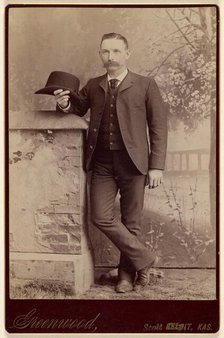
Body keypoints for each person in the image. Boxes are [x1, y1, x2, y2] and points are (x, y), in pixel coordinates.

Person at [54, 33, 167, 293]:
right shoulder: (94, 85)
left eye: (116, 51)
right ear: (100, 54)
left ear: (127, 53)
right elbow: (78, 107)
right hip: (102, 162)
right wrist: (64, 104)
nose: (111, 57)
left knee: (131, 222)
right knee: (100, 216)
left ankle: (126, 278)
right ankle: (145, 258)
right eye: (105, 52)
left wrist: (156, 165)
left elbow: (158, 127)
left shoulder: (146, 85)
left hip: (134, 163)